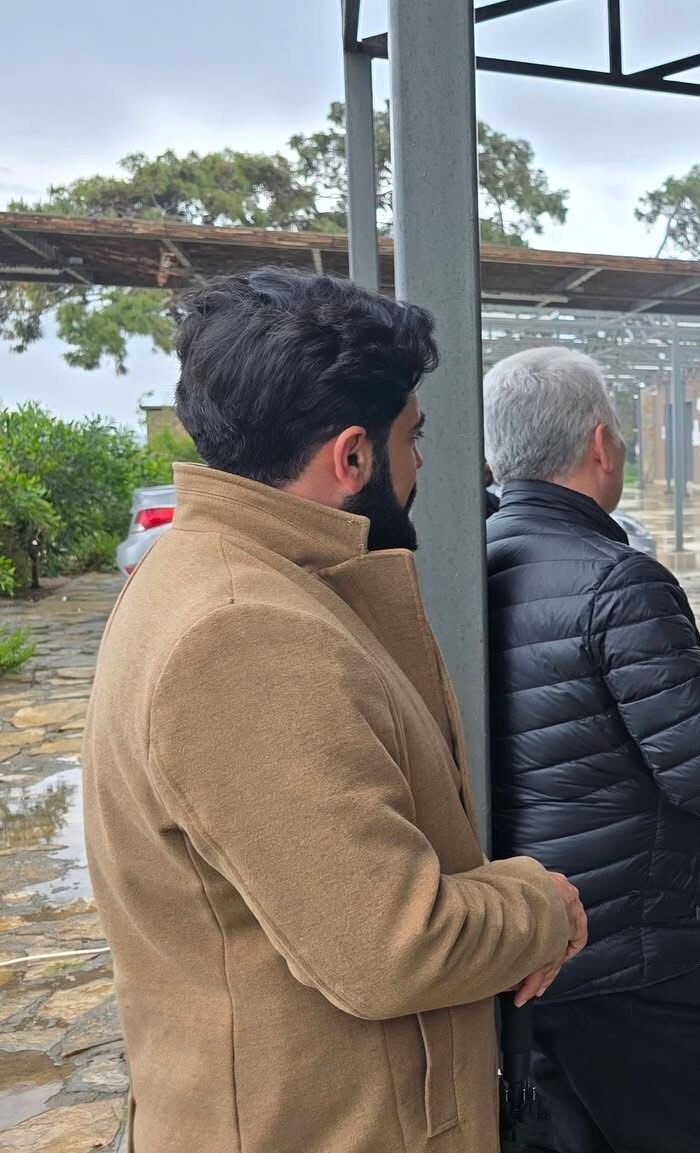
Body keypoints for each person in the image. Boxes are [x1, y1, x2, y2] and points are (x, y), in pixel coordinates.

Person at [81, 268, 585, 1153]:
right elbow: (391, 942)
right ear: (352, 457)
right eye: (412, 438)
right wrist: (542, 906)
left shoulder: (223, 574)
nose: (420, 465)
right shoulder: (244, 629)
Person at [484, 347, 700, 1153]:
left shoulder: (473, 562)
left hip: (520, 944)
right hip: (625, 957)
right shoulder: (619, 583)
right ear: (600, 445)